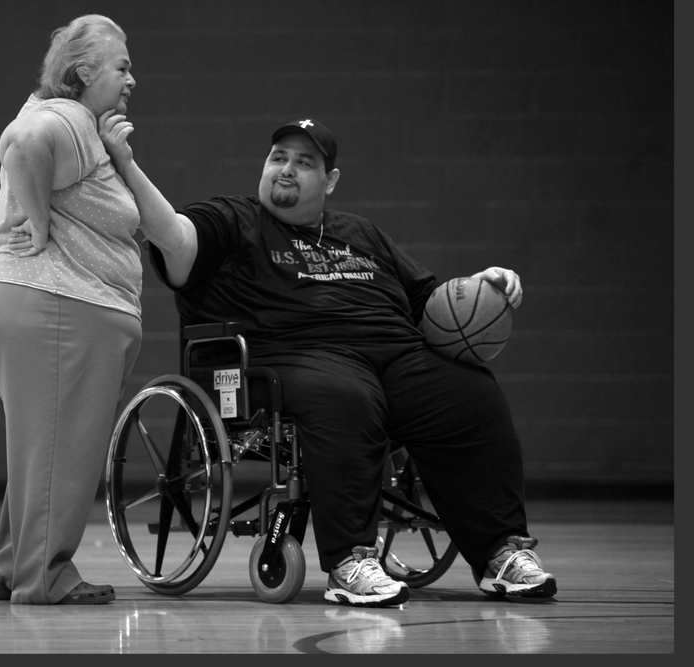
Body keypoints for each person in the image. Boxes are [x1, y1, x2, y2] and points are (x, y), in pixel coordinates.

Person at [98, 114, 558, 607]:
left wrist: (483, 286)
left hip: (396, 356)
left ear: (330, 180)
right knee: (345, 397)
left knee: (471, 394)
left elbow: (430, 300)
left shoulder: (360, 233)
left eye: (304, 162)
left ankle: (500, 554)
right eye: (278, 158)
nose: (287, 169)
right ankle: (350, 561)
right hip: (294, 359)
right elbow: (173, 235)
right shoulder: (234, 221)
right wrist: (125, 164)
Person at [0, 14, 141, 605]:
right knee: (62, 452)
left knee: (44, 446)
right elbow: (21, 145)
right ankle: (44, 577)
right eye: (122, 66)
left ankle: (13, 565)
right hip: (56, 306)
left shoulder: (68, 118)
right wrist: (41, 226)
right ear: (83, 73)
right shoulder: (67, 116)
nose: (131, 78)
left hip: (34, 307)